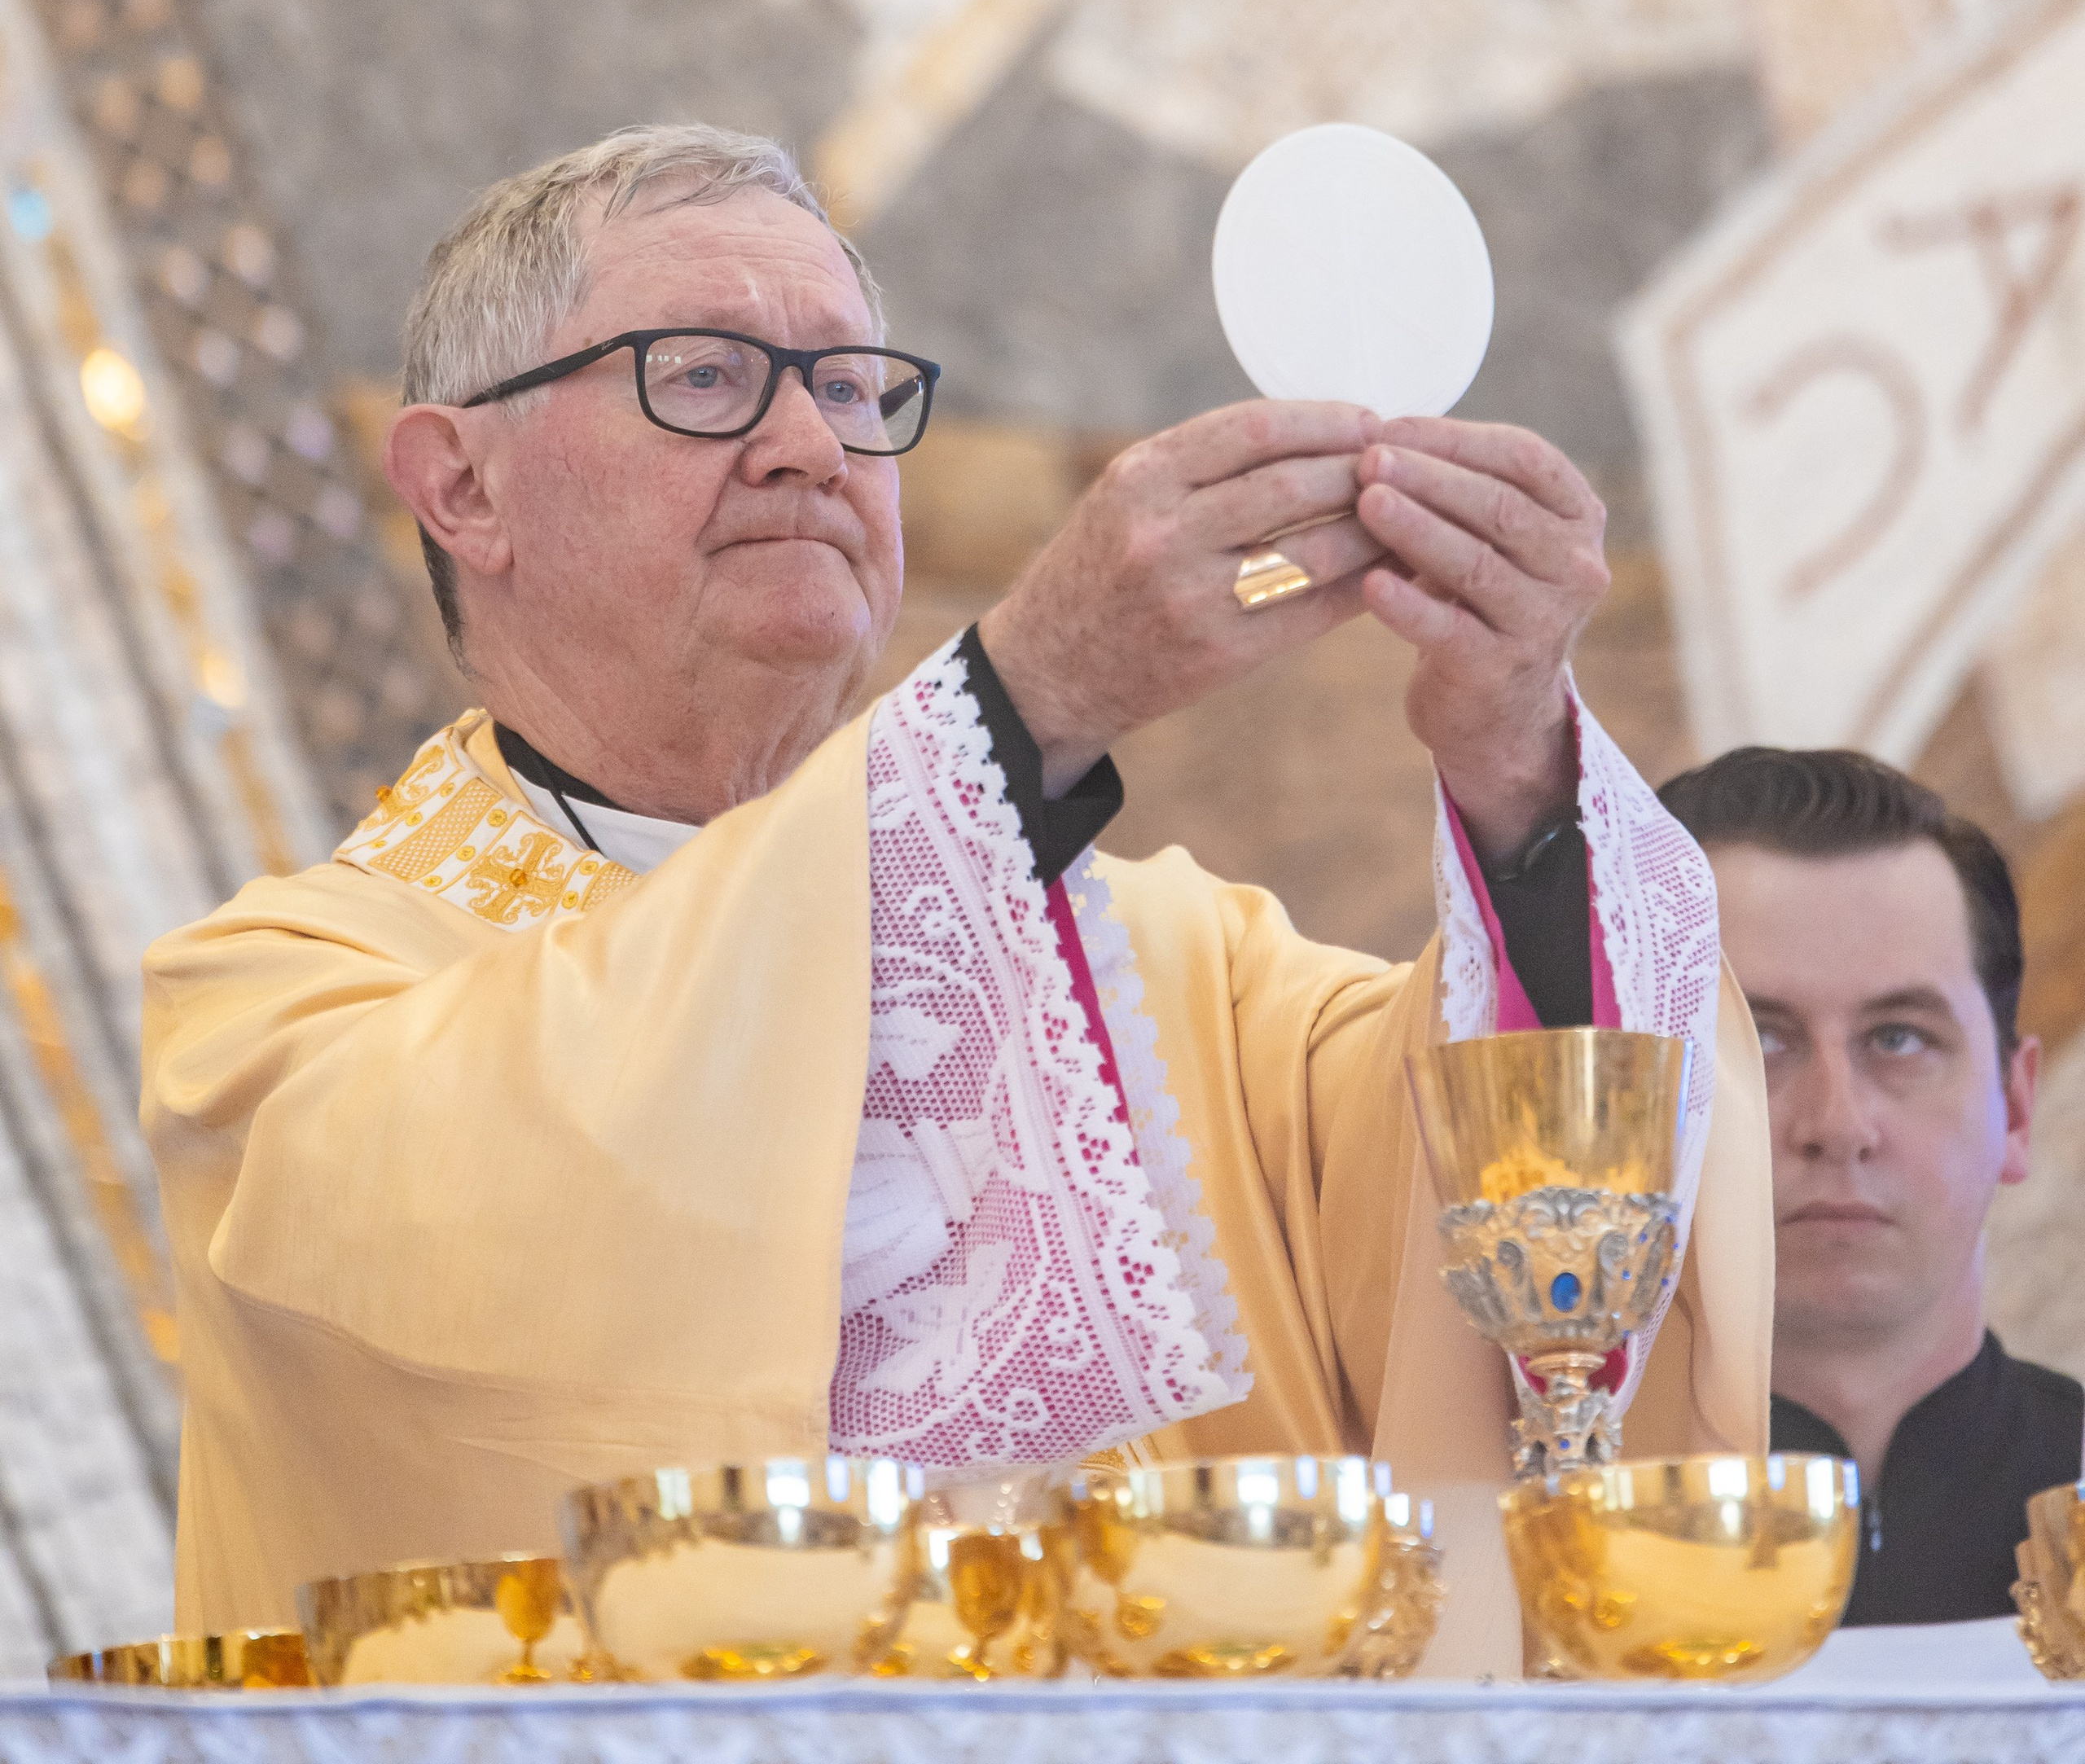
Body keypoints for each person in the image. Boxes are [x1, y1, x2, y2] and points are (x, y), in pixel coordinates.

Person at [144, 123, 1768, 1647]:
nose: (805, 446)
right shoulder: (275, 1014)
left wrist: (1514, 771)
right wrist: (1019, 703)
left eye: (853, 391)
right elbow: (498, 1211)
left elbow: (1516, 1249)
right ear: (460, 488)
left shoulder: (1180, 974)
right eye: (703, 377)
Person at [1659, 744, 2083, 1625]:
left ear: (2012, 1107)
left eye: (1897, 1038)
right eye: (1758, 1042)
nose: (1837, 1124)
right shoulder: (1511, 1548)